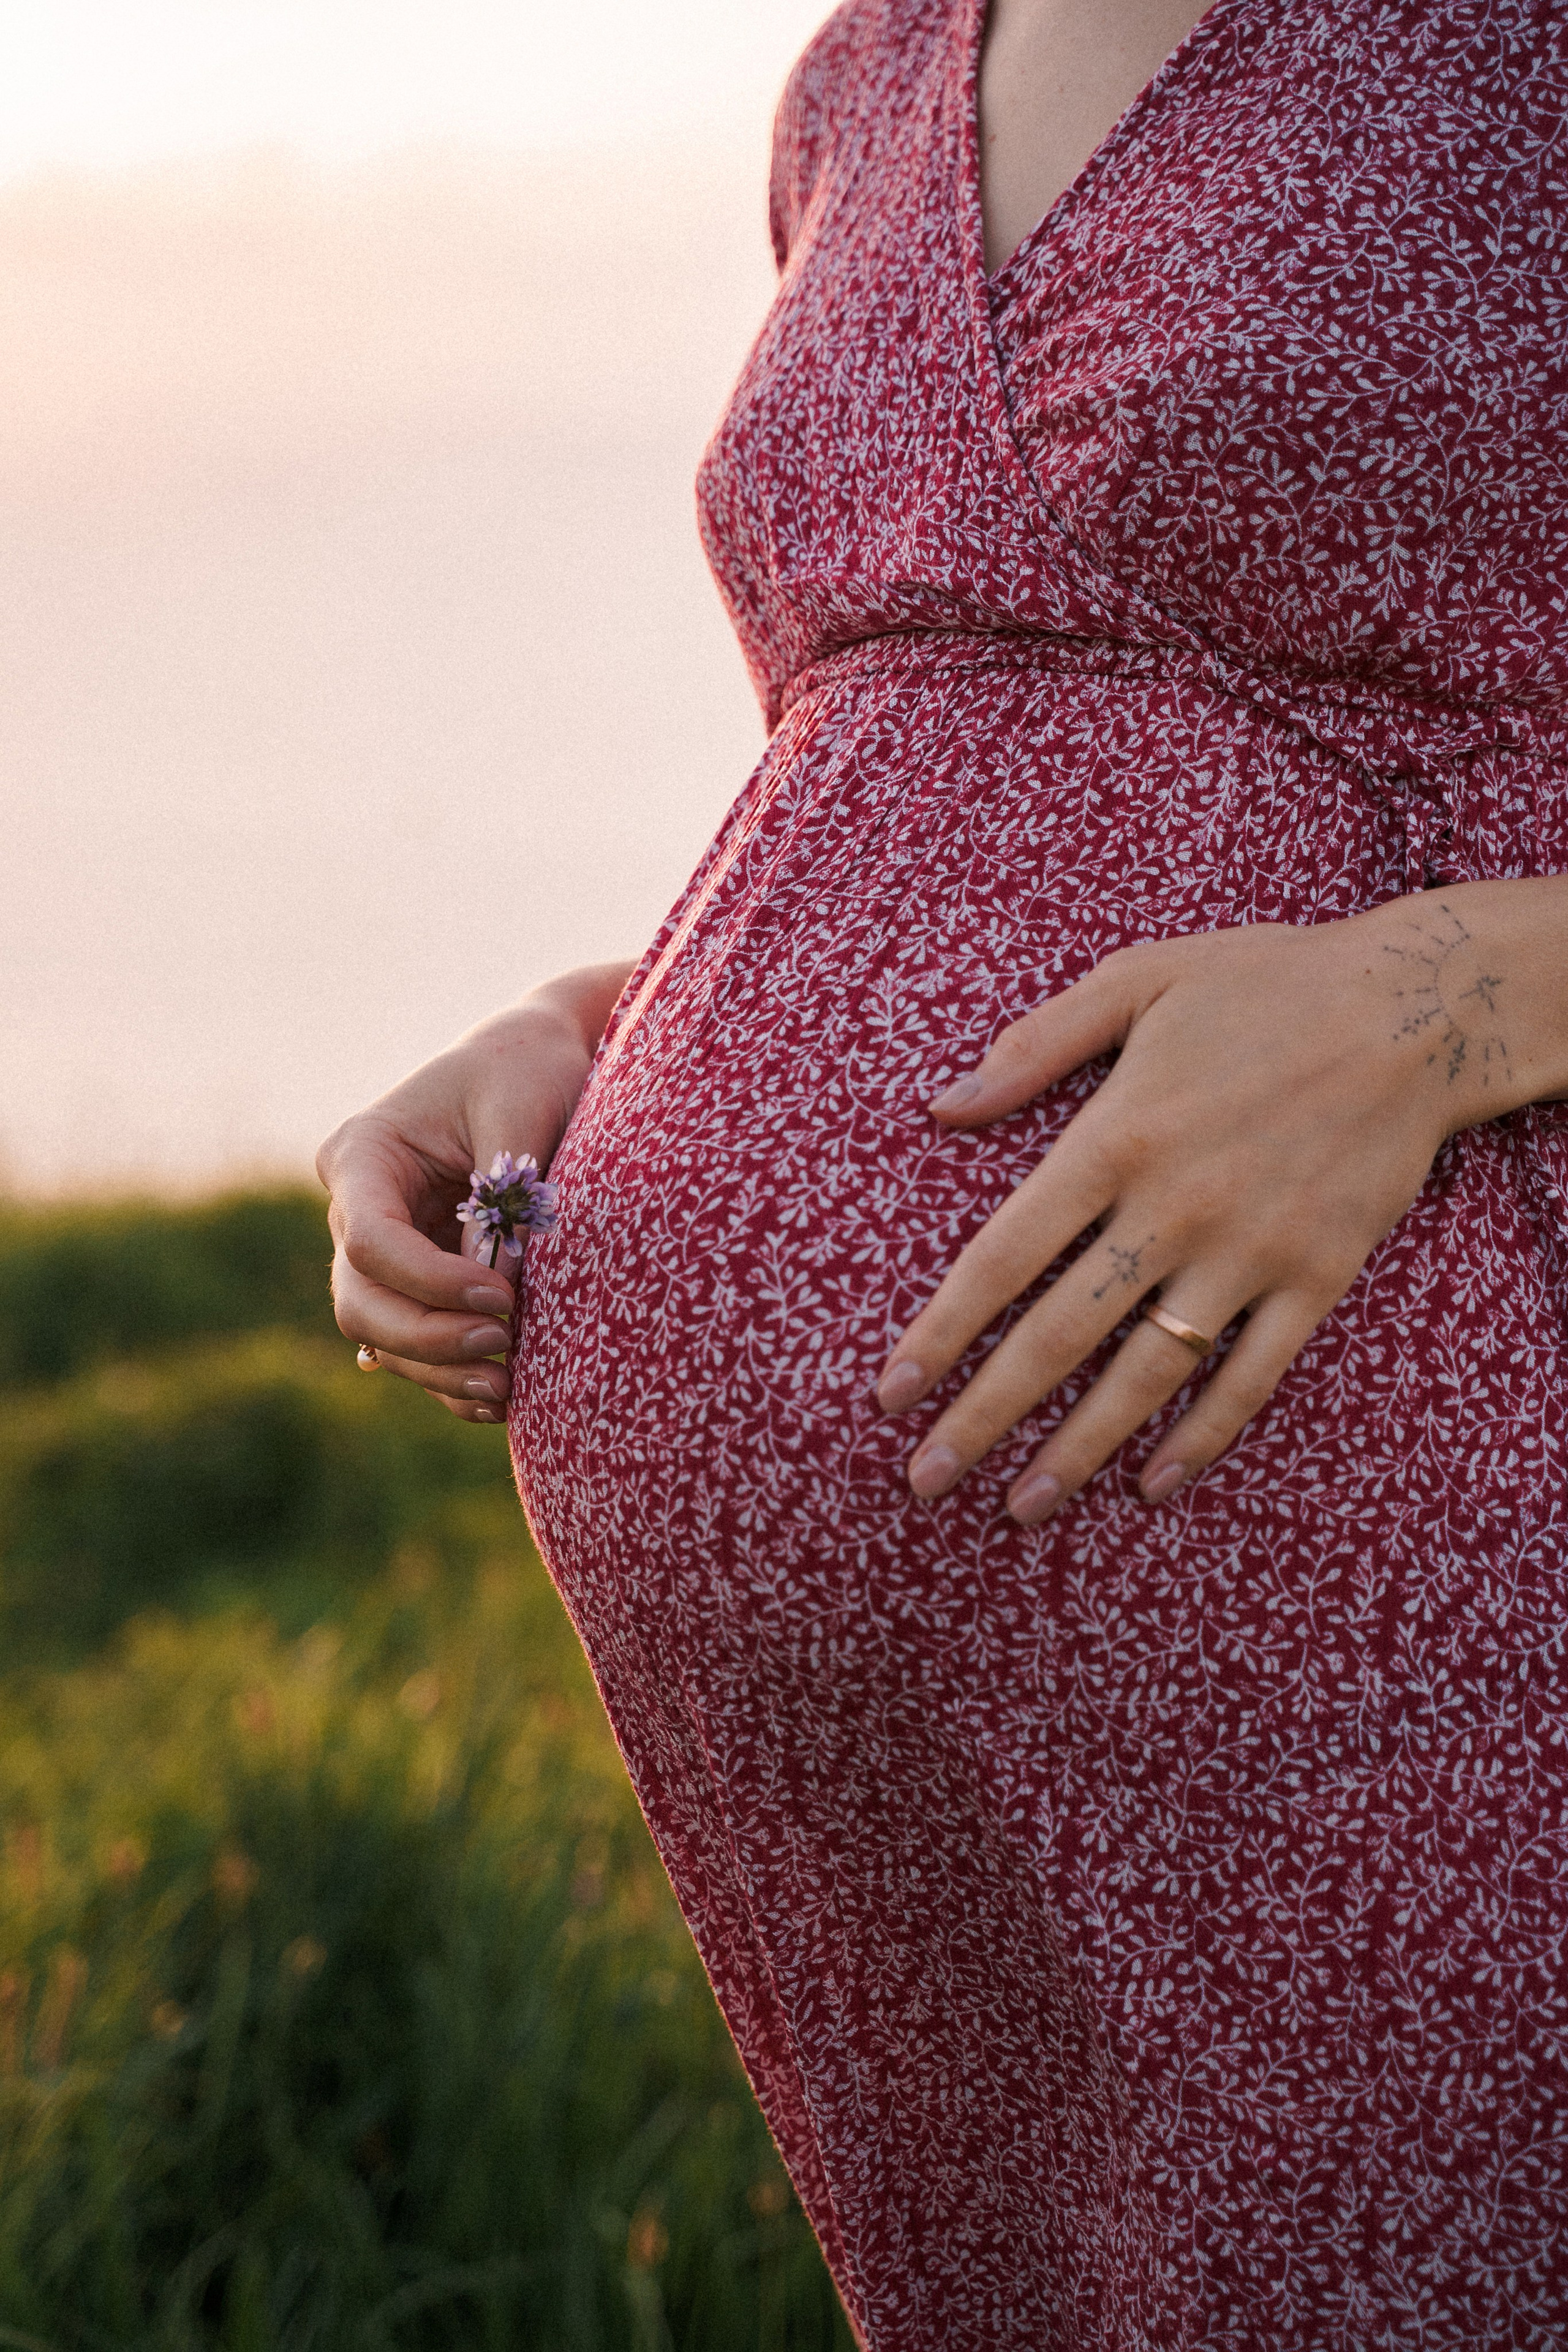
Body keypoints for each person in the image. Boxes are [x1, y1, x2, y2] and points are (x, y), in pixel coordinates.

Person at [318, 0, 1568, 2341]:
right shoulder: (869, 73)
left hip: (1420, 1616)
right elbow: (939, 759)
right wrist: (601, 1030)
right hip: (871, 1827)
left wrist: (1440, 1009)